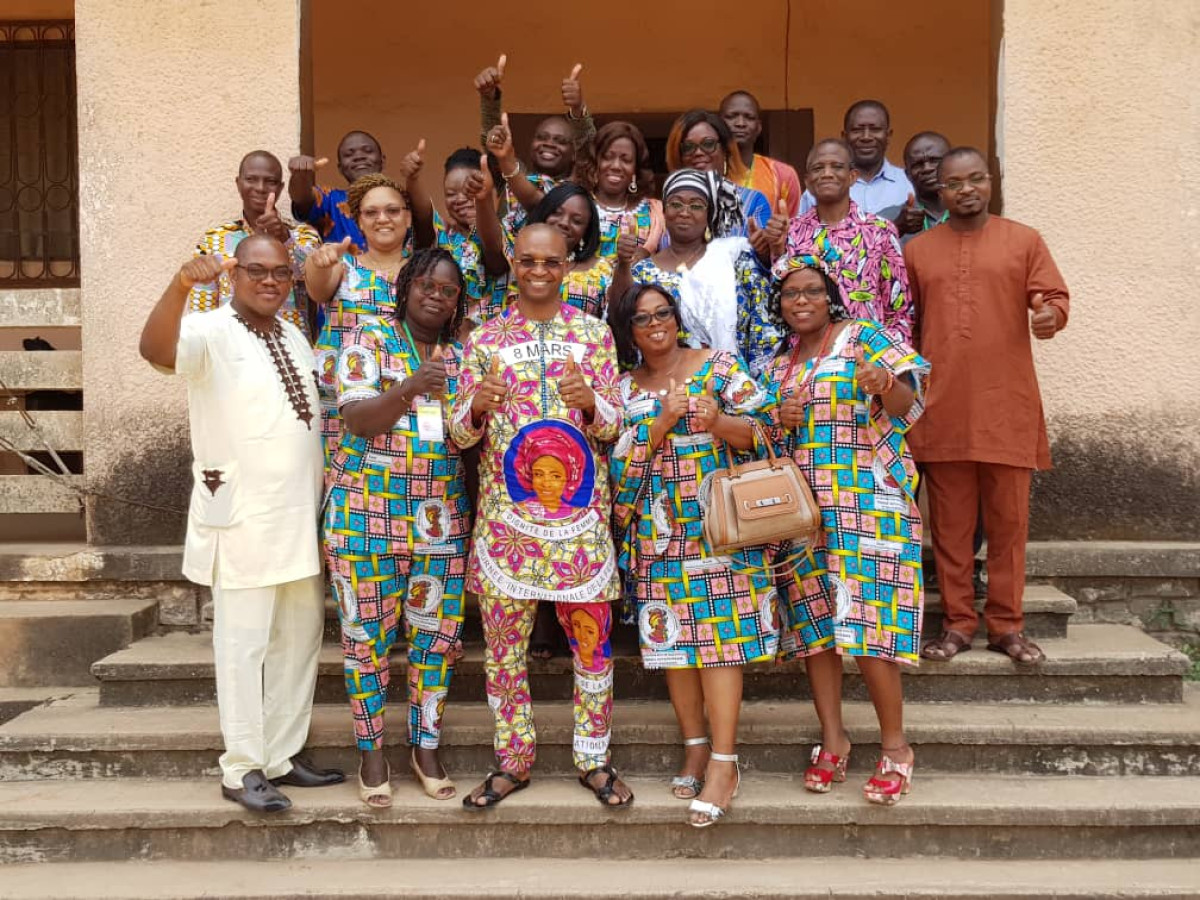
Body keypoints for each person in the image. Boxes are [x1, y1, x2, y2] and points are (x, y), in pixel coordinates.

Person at [139, 234, 342, 813]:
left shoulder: (293, 334)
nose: (270, 281)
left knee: (297, 641)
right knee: (243, 645)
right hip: (243, 516)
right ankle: (242, 767)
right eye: (257, 270)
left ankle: (281, 756)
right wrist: (180, 285)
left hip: (299, 516)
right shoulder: (208, 330)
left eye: (280, 272)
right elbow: (154, 350)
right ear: (234, 276)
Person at [449, 224, 634, 810]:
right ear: (512, 259)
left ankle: (594, 759)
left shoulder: (594, 334)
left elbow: (614, 427)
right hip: (508, 526)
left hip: (580, 527)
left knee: (593, 649)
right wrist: (475, 408)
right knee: (504, 654)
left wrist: (593, 403)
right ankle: (513, 761)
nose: (538, 271)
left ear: (568, 264)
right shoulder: (484, 338)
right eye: (527, 260)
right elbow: (458, 434)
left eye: (550, 261)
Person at [609, 283, 779, 827]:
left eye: (663, 313)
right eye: (642, 318)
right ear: (628, 331)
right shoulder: (623, 388)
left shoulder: (719, 367)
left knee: (721, 644)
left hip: (721, 529)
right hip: (658, 534)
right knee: (674, 644)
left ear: (677, 318)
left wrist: (719, 422)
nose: (655, 324)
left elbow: (772, 431)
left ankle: (725, 765)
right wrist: (659, 424)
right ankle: (695, 748)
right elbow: (615, 470)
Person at [762, 255, 929, 806]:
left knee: (870, 626)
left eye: (812, 290)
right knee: (816, 631)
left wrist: (883, 383)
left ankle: (896, 747)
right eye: (790, 293)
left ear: (830, 296)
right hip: (804, 515)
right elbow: (766, 439)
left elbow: (907, 402)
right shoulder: (779, 363)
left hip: (868, 506)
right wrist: (779, 420)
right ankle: (834, 738)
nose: (801, 300)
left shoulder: (863, 338)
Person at [905, 147, 1069, 666]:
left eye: (976, 179)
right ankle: (957, 623)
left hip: (1007, 407)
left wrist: (1050, 316)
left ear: (991, 181)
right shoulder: (918, 251)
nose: (967, 190)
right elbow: (906, 326)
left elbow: (1053, 298)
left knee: (1008, 527)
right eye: (955, 183)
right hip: (942, 408)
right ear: (940, 190)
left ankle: (1006, 625)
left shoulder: (1024, 240)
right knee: (950, 530)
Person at [324, 247, 470, 807]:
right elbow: (358, 419)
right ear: (406, 285)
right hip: (364, 516)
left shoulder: (463, 354)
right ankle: (372, 752)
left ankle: (425, 747)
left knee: (436, 641)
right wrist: (410, 386)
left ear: (457, 302)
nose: (436, 295)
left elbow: (470, 437)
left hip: (441, 521)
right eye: (426, 284)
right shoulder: (368, 337)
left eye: (448, 290)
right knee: (367, 642)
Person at [306, 171, 423, 459]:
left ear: (408, 218)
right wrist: (319, 264)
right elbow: (318, 290)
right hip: (341, 406)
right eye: (371, 212)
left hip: (406, 402)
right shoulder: (343, 266)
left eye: (392, 210)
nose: (382, 219)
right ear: (359, 221)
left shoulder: (424, 272)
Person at [630, 169, 782, 378]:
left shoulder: (736, 257)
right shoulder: (641, 272)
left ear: (709, 215)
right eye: (676, 204)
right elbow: (631, 336)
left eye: (696, 206)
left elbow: (763, 325)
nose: (685, 212)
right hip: (670, 387)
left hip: (735, 382)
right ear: (663, 211)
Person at [785, 139, 913, 342]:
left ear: (853, 176)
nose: (827, 173)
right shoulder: (791, 233)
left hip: (867, 355)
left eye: (837, 166)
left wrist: (886, 358)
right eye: (818, 168)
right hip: (808, 355)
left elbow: (899, 310)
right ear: (807, 181)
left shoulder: (880, 231)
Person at [187, 150, 320, 338]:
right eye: (251, 179)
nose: (260, 188)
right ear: (238, 183)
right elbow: (201, 311)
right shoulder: (213, 240)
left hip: (290, 349)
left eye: (270, 181)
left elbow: (316, 282)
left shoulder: (304, 235)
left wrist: (285, 239)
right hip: (231, 348)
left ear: (281, 187)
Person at [476, 55, 595, 234]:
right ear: (532, 144)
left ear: (574, 154)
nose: (549, 144)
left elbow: (590, 148)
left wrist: (578, 110)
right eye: (542, 137)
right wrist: (489, 98)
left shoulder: (577, 188)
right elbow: (495, 148)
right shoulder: (514, 173)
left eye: (560, 141)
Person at [517, 183, 630, 320]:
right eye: (557, 213)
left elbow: (620, 313)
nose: (564, 223)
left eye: (576, 221)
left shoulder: (601, 269)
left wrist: (624, 264)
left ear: (585, 232)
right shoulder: (519, 257)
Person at [429, 148, 510, 329]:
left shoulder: (509, 233)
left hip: (499, 333)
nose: (459, 199)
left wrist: (481, 210)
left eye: (469, 190)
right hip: (450, 336)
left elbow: (496, 257)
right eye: (450, 194)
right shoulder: (441, 236)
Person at [665, 110, 774, 239]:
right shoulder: (667, 207)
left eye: (708, 144)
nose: (698, 152)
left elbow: (764, 248)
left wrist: (764, 246)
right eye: (688, 147)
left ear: (725, 151)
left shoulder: (753, 202)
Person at [800, 100, 914, 217]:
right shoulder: (821, 187)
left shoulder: (909, 184)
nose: (866, 137)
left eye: (875, 129)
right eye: (857, 130)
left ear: (888, 135)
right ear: (844, 137)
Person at [573, 120, 664, 261]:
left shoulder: (654, 211)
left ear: (635, 168)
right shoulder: (577, 206)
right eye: (607, 157)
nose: (616, 166)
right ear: (595, 162)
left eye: (626, 160)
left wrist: (646, 255)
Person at [288, 130, 386, 250]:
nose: (359, 157)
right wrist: (300, 174)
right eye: (349, 154)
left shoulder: (400, 200)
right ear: (340, 168)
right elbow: (301, 197)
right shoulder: (330, 199)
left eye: (368, 151)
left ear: (382, 160)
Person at [719, 90, 803, 217]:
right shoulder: (705, 172)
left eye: (749, 117)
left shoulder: (783, 175)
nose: (740, 123)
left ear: (759, 127)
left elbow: (795, 224)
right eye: (731, 116)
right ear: (718, 124)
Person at [895, 132, 951, 243]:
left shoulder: (972, 213)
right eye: (918, 164)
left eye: (935, 160)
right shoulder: (888, 218)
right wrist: (896, 228)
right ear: (907, 174)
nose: (927, 168)